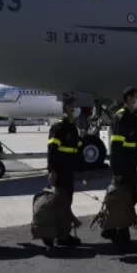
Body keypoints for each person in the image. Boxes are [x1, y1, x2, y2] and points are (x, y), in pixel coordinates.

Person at [44, 96, 83, 248]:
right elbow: (52, 151)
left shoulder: (73, 128)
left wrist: (82, 171)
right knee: (61, 204)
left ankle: (62, 235)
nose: (76, 109)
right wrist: (52, 171)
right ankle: (57, 235)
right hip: (59, 172)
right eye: (73, 106)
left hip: (69, 172)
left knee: (66, 204)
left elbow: (76, 150)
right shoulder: (58, 128)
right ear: (66, 108)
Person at [107, 87, 137, 246]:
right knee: (123, 199)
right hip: (123, 168)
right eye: (135, 97)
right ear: (128, 98)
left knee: (133, 196)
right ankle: (121, 235)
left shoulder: (132, 117)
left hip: (131, 165)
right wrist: (117, 172)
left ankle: (112, 229)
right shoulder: (121, 117)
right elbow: (115, 147)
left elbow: (133, 144)